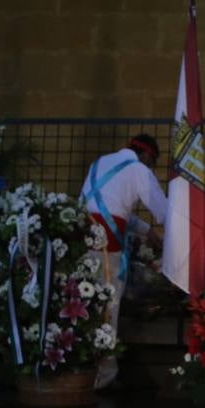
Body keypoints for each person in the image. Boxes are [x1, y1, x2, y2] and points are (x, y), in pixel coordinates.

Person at [80, 133, 168, 390]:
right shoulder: (139, 170)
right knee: (108, 309)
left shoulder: (100, 163)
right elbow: (163, 212)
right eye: (152, 165)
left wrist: (145, 230)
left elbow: (106, 207)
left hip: (82, 242)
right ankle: (103, 377)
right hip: (107, 248)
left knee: (84, 306)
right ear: (148, 156)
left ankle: (83, 369)